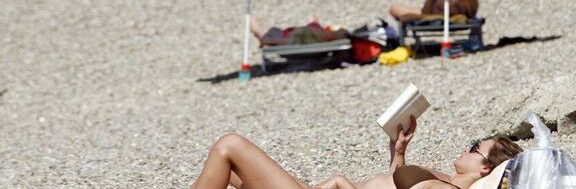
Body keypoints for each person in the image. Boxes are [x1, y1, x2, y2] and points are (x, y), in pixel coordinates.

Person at [191, 116, 523, 189]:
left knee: (229, 146)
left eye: (475, 148)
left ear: (484, 169)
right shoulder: (447, 181)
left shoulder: (449, 188)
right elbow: (397, 183)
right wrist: (398, 152)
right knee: (234, 174)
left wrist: (345, 186)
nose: (467, 147)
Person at [250, 16, 348, 46]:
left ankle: (257, 30)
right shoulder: (324, 36)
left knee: (273, 31)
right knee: (274, 31)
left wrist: (264, 40)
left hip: (287, 36)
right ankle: (258, 31)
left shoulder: (304, 38)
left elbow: (277, 41)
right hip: (295, 34)